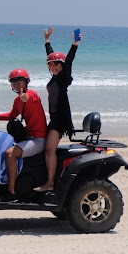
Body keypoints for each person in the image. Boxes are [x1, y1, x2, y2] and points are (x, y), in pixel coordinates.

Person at [34, 26, 82, 193]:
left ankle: (50, 183)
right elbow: (53, 56)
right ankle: (48, 180)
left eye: (56, 65)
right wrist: (47, 41)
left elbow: (67, 61)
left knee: (49, 150)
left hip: (60, 119)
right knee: (46, 149)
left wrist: (74, 45)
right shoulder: (54, 77)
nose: (54, 67)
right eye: (51, 64)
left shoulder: (63, 79)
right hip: (54, 118)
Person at [0, 69, 47, 202]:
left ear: (26, 81)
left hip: (38, 139)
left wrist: (25, 97)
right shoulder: (17, 101)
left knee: (10, 153)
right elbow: (11, 115)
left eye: (19, 80)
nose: (15, 83)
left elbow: (30, 98)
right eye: (12, 80)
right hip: (28, 138)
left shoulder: (31, 94)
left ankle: (11, 192)